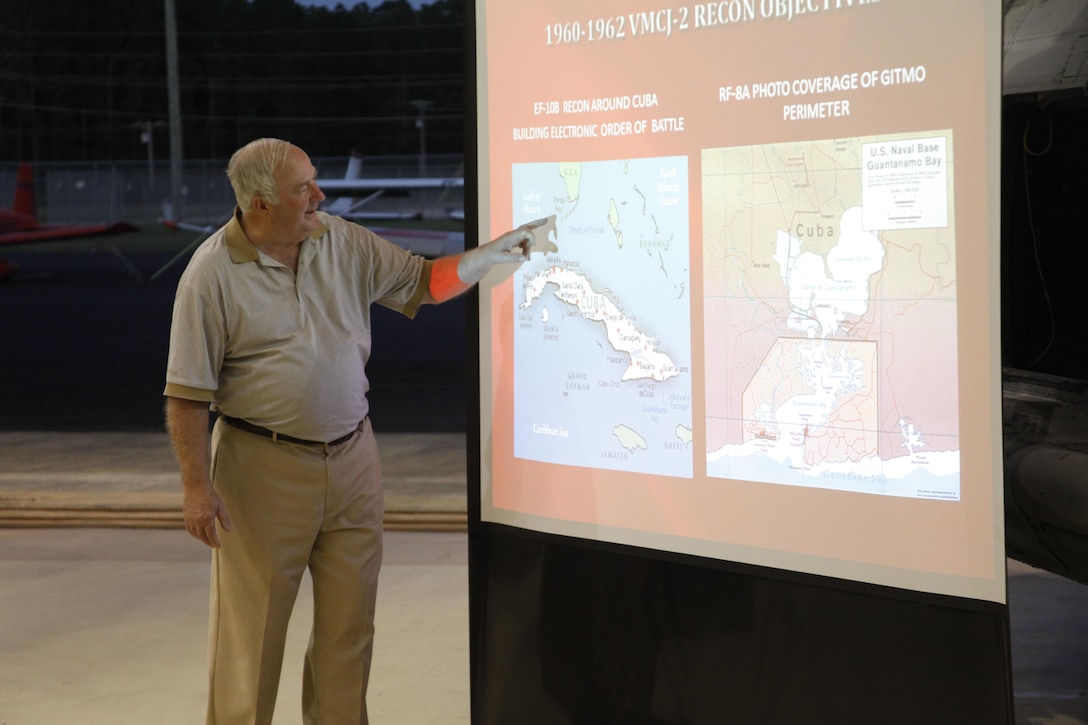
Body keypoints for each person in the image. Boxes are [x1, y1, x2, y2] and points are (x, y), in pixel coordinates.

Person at [164, 137, 539, 724]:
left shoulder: (341, 240)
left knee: (349, 631)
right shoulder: (210, 275)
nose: (320, 194)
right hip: (261, 471)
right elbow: (187, 393)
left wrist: (483, 258)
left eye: (315, 181)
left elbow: (423, 282)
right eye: (302, 188)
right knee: (251, 642)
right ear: (261, 203)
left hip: (353, 460)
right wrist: (195, 487)